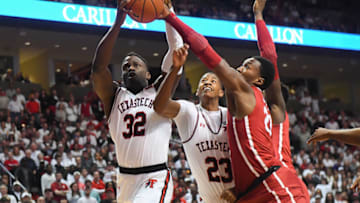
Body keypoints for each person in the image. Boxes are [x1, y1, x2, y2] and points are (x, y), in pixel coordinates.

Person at [155, 2, 308, 202]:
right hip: (254, 189)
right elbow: (269, 57)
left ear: (260, 81)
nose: (239, 68)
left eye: (247, 66)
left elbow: (207, 52)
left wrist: (170, 17)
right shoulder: (269, 109)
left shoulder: (245, 91)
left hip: (275, 186)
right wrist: (258, 15)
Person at [91, 0, 183, 202]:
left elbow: (176, 50)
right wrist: (117, 24)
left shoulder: (159, 91)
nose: (130, 68)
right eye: (125, 67)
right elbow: (98, 69)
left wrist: (169, 15)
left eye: (135, 65)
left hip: (155, 176)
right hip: (124, 179)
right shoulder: (114, 96)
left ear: (149, 75)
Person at [154, 2, 234, 199]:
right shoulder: (189, 111)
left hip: (243, 197)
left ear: (222, 93)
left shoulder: (232, 116)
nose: (207, 82)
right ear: (197, 91)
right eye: (203, 81)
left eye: (212, 80)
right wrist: (175, 69)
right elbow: (160, 106)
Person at [253, 0, 309, 200]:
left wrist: (258, 16)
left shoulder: (275, 112)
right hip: (262, 185)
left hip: (282, 179)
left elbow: (268, 55)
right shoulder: (251, 114)